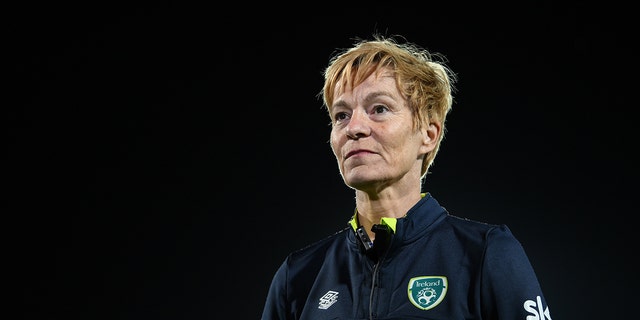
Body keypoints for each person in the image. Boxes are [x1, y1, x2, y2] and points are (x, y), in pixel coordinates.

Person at [261, 34, 551, 320]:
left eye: (379, 109)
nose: (354, 128)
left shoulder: (487, 253)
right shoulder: (298, 277)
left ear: (428, 134)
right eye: (341, 115)